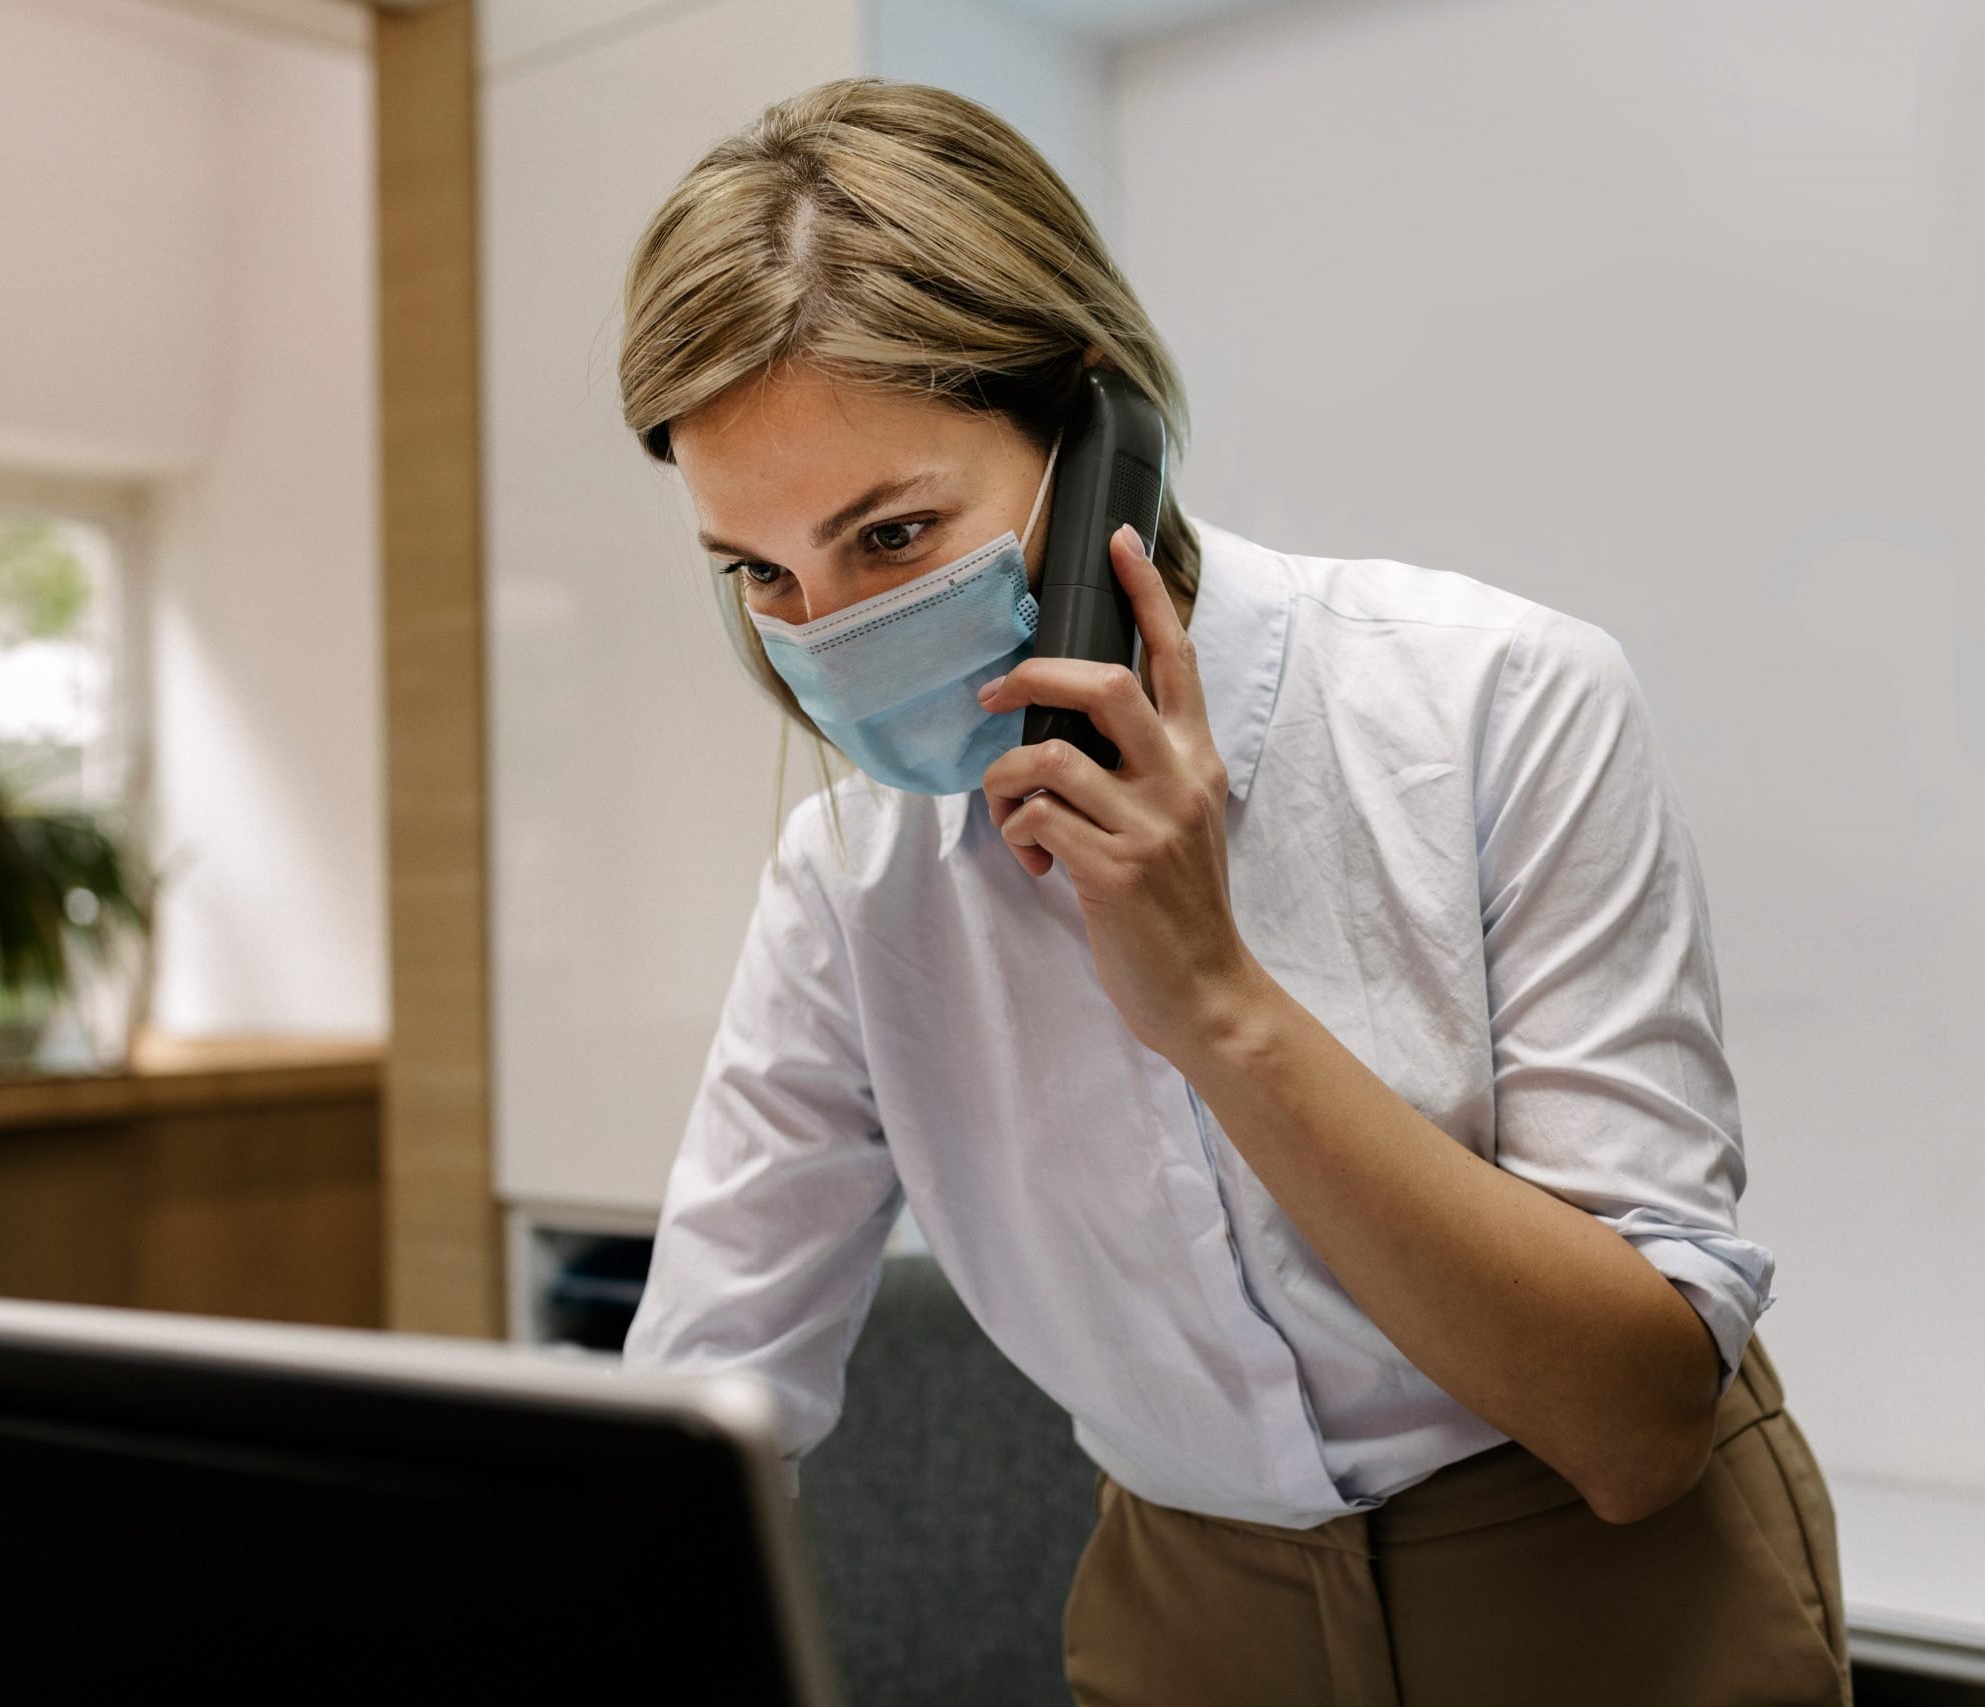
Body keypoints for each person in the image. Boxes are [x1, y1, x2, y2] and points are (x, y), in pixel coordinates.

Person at [617, 78, 1850, 1707]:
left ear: (1102, 434)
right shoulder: (851, 891)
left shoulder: (1499, 701)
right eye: (762, 574)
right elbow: (706, 1403)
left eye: (895, 536)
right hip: (1189, 1619)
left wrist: (1217, 1006)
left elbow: (1635, 1430)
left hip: (1610, 1597)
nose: (828, 628)